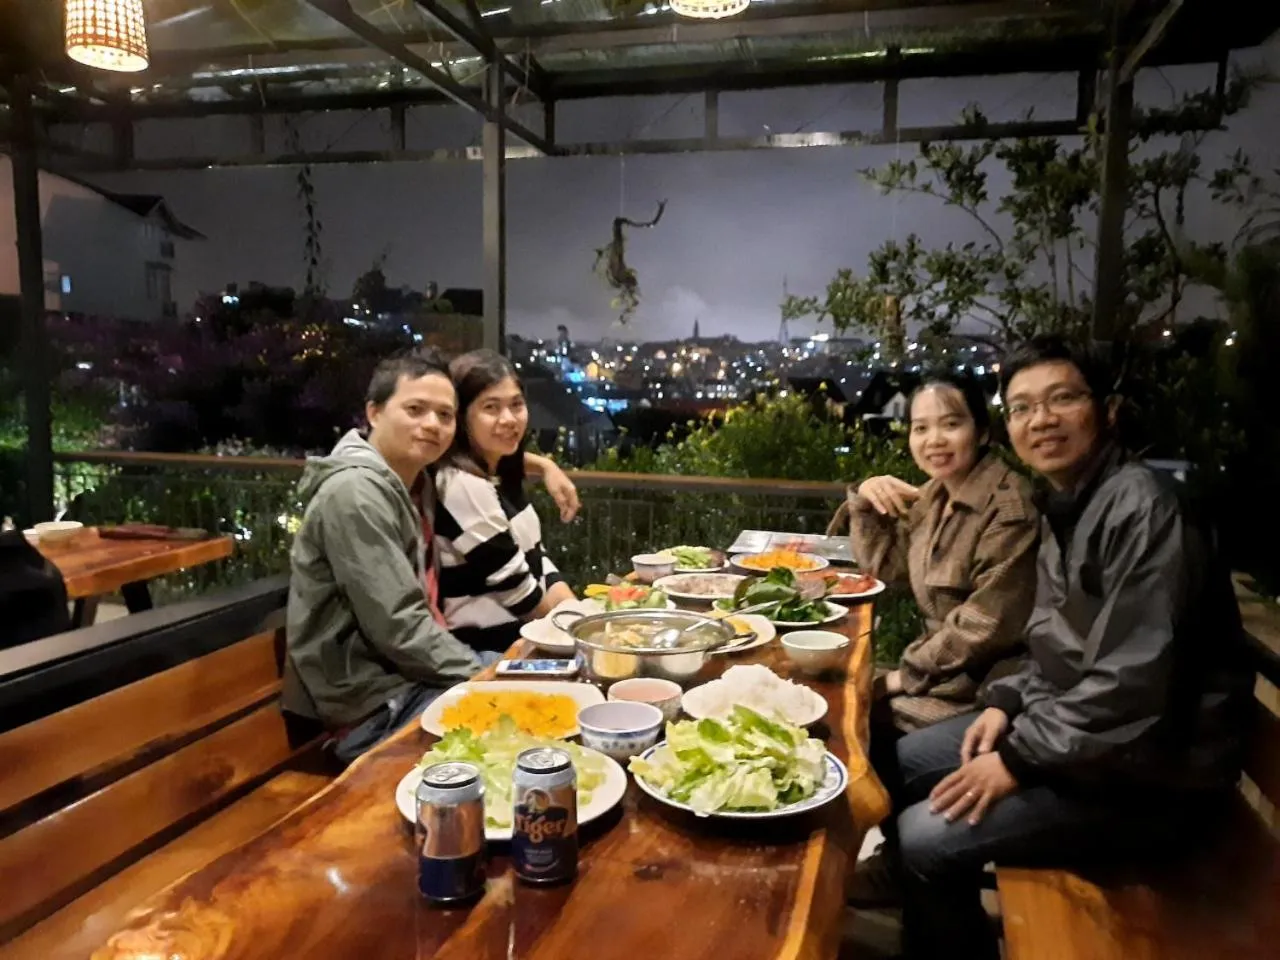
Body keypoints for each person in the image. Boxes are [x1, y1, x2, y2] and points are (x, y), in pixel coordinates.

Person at [884, 336, 1254, 959]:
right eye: (1024, 407)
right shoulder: (1074, 504)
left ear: (1107, 411)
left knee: (923, 840)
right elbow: (1058, 647)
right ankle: (923, 919)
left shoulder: (1145, 509)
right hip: (1086, 743)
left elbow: (1134, 685)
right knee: (895, 764)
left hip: (1152, 779)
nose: (1042, 420)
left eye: (1062, 399)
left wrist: (1017, 759)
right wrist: (1005, 703)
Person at [284, 349, 580, 762]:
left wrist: (544, 465)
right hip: (370, 704)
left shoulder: (415, 479)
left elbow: (488, 455)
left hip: (412, 676)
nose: (431, 425)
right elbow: (401, 628)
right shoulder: (355, 496)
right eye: (415, 409)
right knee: (543, 738)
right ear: (373, 413)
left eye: (444, 415)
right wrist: (485, 678)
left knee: (566, 694)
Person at [839, 373, 1039, 734]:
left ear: (981, 432)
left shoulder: (1009, 509)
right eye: (920, 428)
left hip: (980, 694)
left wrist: (903, 676)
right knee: (833, 697)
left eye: (951, 424)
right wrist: (865, 502)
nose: (934, 440)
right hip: (938, 677)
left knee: (846, 722)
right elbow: (886, 568)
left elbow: (983, 626)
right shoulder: (935, 495)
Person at [433, 349, 577, 653]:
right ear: (462, 417)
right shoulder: (462, 485)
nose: (509, 419)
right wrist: (582, 626)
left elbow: (533, 556)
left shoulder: (499, 471)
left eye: (516, 404)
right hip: (489, 652)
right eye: (491, 407)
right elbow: (521, 596)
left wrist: (571, 604)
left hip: (524, 639)